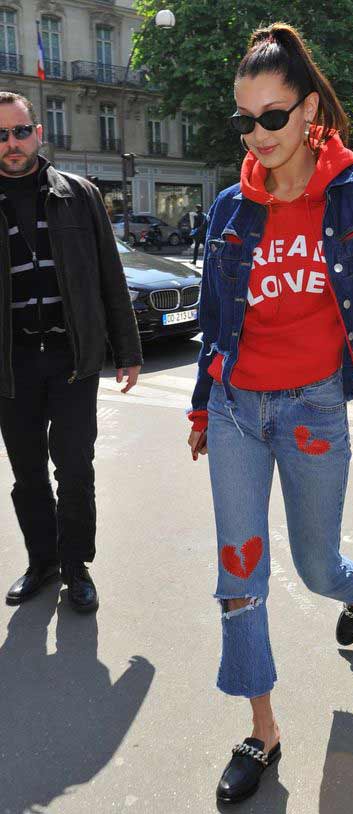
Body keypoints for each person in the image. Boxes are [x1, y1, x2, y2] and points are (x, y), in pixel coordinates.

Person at [186, 24, 353, 804]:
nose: (257, 136)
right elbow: (213, 310)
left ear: (310, 108)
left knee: (317, 565)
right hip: (236, 410)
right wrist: (201, 404)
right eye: (245, 120)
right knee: (239, 574)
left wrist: (348, 318)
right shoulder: (230, 208)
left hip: (313, 409)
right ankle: (263, 730)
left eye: (273, 116)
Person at [0, 92, 143, 613]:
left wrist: (127, 350)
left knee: (75, 467)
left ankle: (77, 564)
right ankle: (43, 562)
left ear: (38, 133)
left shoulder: (78, 195)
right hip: (12, 364)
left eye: (19, 131)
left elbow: (110, 273)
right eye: (1, 135)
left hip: (71, 357)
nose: (11, 143)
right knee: (27, 471)